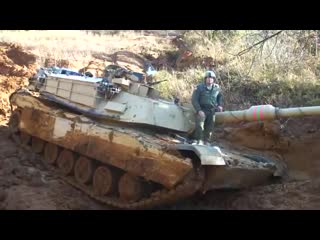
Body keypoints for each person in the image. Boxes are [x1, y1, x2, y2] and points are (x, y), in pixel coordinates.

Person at [191, 70, 223, 145]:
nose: (209, 79)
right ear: (205, 79)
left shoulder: (216, 88)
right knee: (200, 125)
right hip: (202, 109)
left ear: (214, 79)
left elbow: (220, 97)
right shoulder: (199, 87)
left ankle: (207, 141)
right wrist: (199, 110)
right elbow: (194, 100)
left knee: (210, 127)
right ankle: (199, 140)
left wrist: (219, 105)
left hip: (212, 110)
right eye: (208, 78)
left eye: (211, 78)